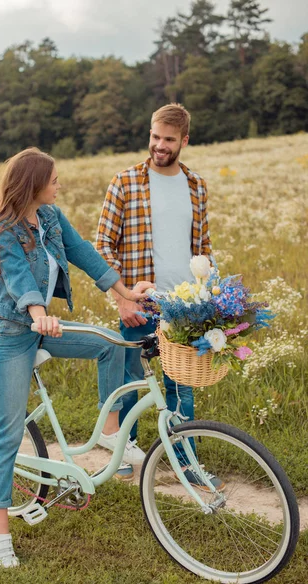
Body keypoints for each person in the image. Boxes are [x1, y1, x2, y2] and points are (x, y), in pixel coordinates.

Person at [0, 147, 152, 567]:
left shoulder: (51, 218)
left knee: (110, 343)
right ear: (34, 184)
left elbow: (84, 252)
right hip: (12, 333)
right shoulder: (3, 228)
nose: (60, 185)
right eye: (54, 179)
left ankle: (112, 433)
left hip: (42, 328)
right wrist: (39, 314)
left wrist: (125, 292)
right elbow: (19, 277)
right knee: (9, 429)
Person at [96, 103, 224, 490]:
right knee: (133, 380)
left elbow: (202, 247)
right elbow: (102, 245)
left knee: (181, 385)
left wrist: (212, 296)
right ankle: (123, 449)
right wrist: (123, 299)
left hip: (184, 305)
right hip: (139, 302)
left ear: (184, 140)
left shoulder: (196, 185)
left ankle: (188, 465)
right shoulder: (125, 182)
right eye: (155, 137)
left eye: (169, 139)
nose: (159, 146)